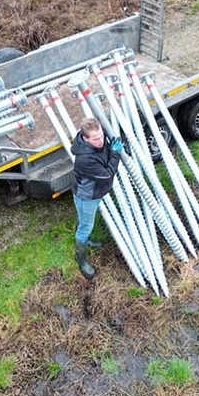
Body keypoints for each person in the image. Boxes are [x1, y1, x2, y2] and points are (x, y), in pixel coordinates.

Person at [70, 118, 123, 279]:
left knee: (84, 220)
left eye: (101, 136)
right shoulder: (85, 160)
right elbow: (107, 175)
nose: (101, 141)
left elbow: (103, 152)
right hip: (87, 196)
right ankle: (81, 259)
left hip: (95, 192)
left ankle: (85, 238)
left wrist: (111, 148)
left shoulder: (97, 140)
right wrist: (115, 154)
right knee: (86, 226)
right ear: (85, 139)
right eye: (96, 139)